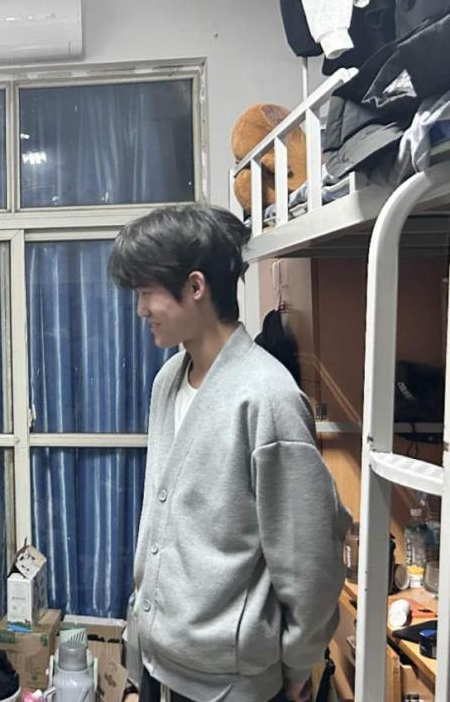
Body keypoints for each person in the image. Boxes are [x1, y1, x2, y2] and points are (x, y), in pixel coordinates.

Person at [109, 205, 351, 702]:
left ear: (195, 286)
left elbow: (309, 556)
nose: (140, 310)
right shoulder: (168, 379)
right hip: (160, 661)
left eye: (147, 292)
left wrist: (300, 660)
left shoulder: (267, 397)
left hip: (230, 683)